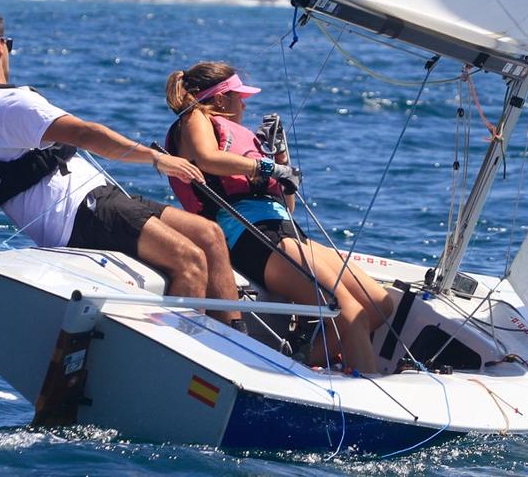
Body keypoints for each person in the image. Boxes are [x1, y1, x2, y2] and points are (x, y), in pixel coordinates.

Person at [0, 8, 243, 328]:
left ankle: (236, 336)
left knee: (210, 234)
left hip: (96, 201)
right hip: (81, 214)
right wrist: (156, 158)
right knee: (190, 261)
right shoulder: (12, 105)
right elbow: (86, 134)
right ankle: (189, 356)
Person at [163, 62, 394, 373]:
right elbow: (206, 159)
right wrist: (267, 167)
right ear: (219, 100)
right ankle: (362, 398)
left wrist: (280, 157)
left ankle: (303, 359)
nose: (244, 104)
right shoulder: (196, 118)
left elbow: (287, 204)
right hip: (251, 235)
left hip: (285, 230)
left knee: (379, 305)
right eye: (238, 96)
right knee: (348, 313)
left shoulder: (244, 143)